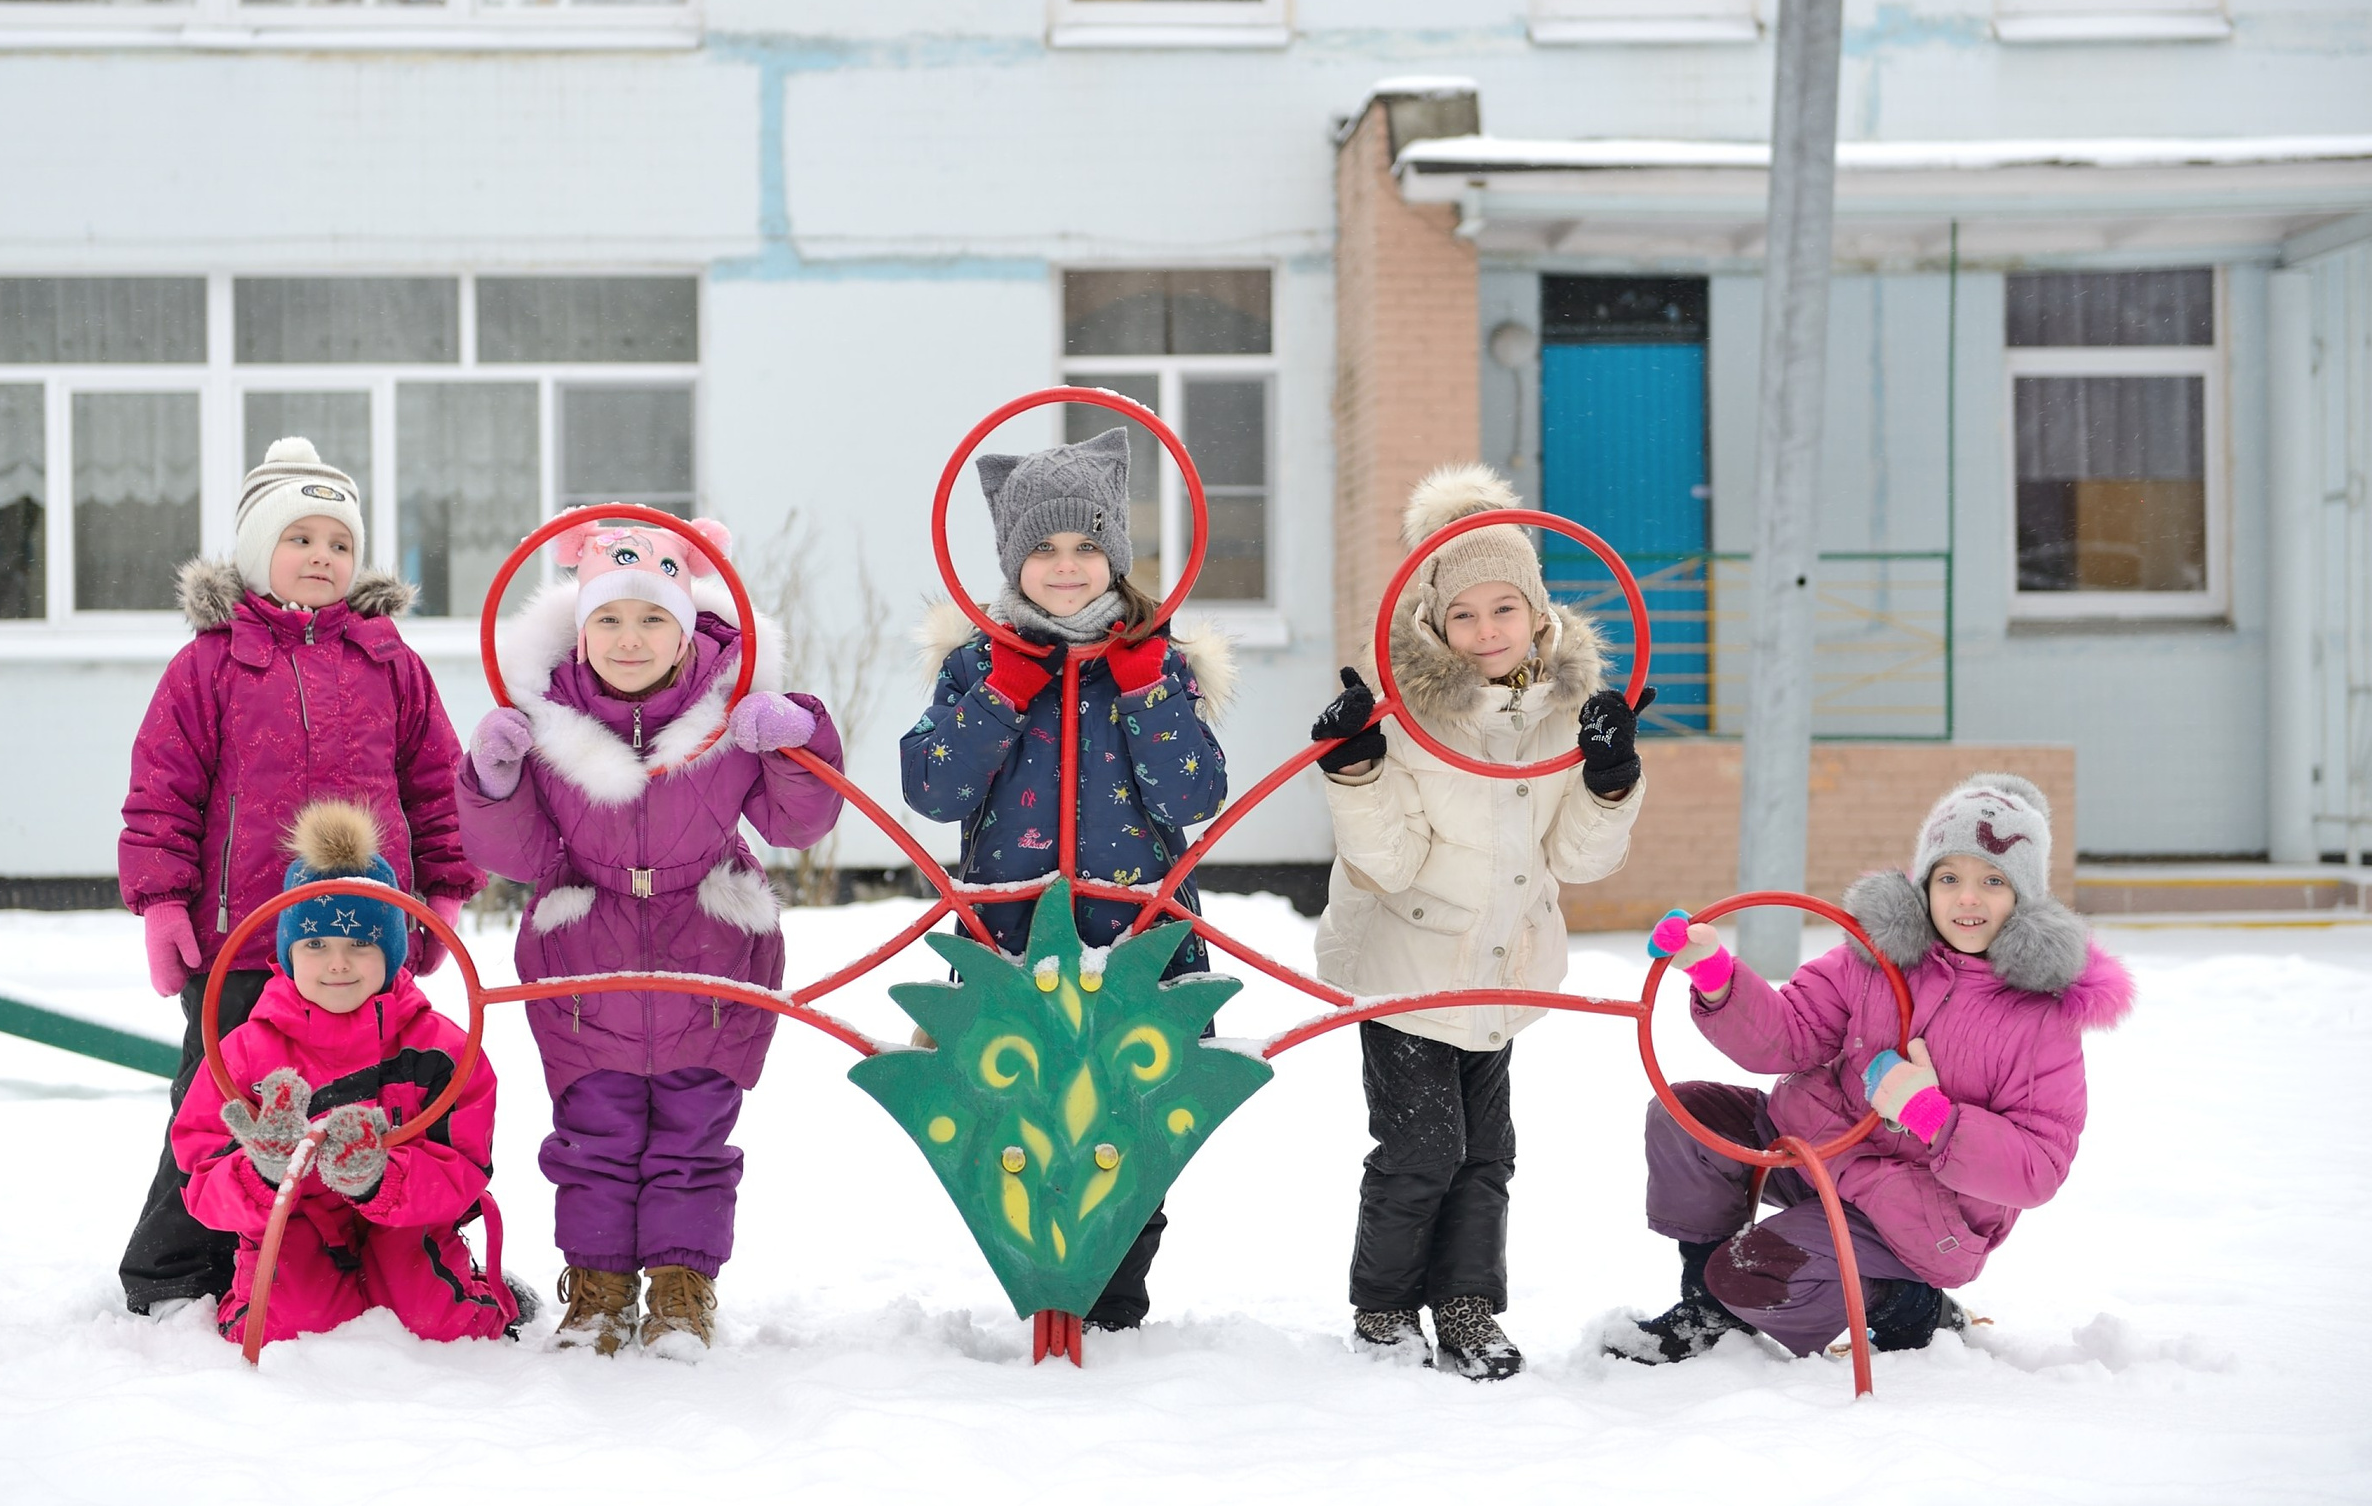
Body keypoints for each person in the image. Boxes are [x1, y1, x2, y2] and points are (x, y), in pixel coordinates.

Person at [459, 518, 844, 1358]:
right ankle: (598, 1288)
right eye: (608, 619)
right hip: (584, 965)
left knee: (693, 1138)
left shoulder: (726, 715)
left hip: (708, 956)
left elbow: (797, 822)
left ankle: (680, 1286)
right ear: (580, 630)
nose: (628, 639)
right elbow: (518, 852)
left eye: (651, 619)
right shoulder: (548, 718)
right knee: (592, 1138)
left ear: (686, 628)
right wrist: (493, 778)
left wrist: (796, 741)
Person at [118, 437, 480, 1314]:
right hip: (241, 939)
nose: (323, 556)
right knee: (222, 1101)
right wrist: (163, 902)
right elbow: (162, 790)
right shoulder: (210, 664)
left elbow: (437, 783)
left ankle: (359, 1261)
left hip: (363, 934)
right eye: (301, 538)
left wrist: (441, 891)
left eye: (339, 543)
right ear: (257, 551)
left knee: (373, 1095)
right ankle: (175, 1270)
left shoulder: (389, 661)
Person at [1309, 464, 1649, 1379]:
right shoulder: (1409, 713)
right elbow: (1389, 863)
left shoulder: (1569, 715)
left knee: (1486, 1154)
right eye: (1463, 614)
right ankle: (1384, 1309)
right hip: (1407, 965)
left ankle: (1466, 1306)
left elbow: (1577, 858)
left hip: (1500, 964)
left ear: (1538, 614)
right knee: (1422, 1148)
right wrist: (1357, 769)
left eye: (1504, 608)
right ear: (1433, 622)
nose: (1487, 629)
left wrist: (1610, 781)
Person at [900, 426, 1235, 1333]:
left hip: (1138, 943)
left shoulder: (1159, 661)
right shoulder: (977, 662)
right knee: (1023, 1124)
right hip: (1014, 946)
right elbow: (933, 788)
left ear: (1116, 556)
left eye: (1087, 545)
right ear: (1012, 558)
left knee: (1132, 1131)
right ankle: (1049, 1289)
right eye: (1043, 547)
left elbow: (1194, 793)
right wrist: (1001, 692)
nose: (1065, 565)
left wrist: (1147, 691)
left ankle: (1114, 1307)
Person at [1621, 772, 2134, 1364]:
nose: (1968, 899)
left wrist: (1934, 1118)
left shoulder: (2041, 1018)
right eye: (1949, 878)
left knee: (1750, 1273)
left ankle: (1909, 1306)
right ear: (1924, 885)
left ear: (2025, 897)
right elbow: (1788, 1037)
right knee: (1684, 1117)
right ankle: (1706, 1312)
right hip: (1818, 1151)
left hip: (1916, 1215)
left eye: (1993, 881)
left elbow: (2039, 1166)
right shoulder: (1875, 960)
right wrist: (1714, 973)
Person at [174, 802, 519, 1345]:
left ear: (392, 951)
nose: (338, 963)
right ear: (289, 952)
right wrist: (262, 1172)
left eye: (360, 944)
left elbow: (464, 1166)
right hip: (295, 1221)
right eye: (316, 944)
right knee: (284, 1328)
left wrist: (379, 1177)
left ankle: (484, 1294)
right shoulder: (244, 1054)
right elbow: (201, 1179)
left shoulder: (442, 1050)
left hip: (407, 1220)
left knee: (439, 1323)